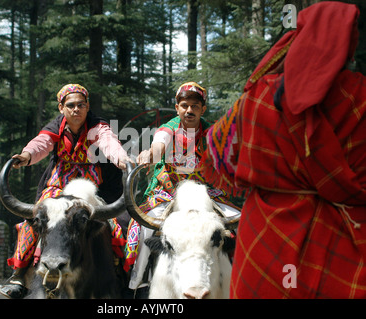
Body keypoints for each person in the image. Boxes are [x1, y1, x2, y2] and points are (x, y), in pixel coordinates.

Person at [201, 2, 366, 298]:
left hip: (265, 244)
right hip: (345, 249)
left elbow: (217, 152)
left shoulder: (259, 96)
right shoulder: (361, 97)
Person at [0, 83, 132, 298]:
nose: (76, 109)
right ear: (61, 108)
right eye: (70, 105)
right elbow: (41, 143)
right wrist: (25, 156)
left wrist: (122, 159)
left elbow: (109, 142)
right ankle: (19, 274)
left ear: (88, 107)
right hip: (57, 188)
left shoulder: (97, 127)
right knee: (31, 223)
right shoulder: (55, 127)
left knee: (116, 226)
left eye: (81, 105)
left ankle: (122, 270)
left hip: (89, 189)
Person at [126, 82, 235, 296]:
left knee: (239, 220)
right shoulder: (168, 128)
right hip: (168, 191)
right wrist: (150, 154)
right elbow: (159, 145)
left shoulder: (213, 133)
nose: (189, 110)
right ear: (177, 108)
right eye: (184, 105)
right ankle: (137, 282)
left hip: (205, 191)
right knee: (144, 229)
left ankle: (239, 278)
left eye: (195, 106)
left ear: (203, 109)